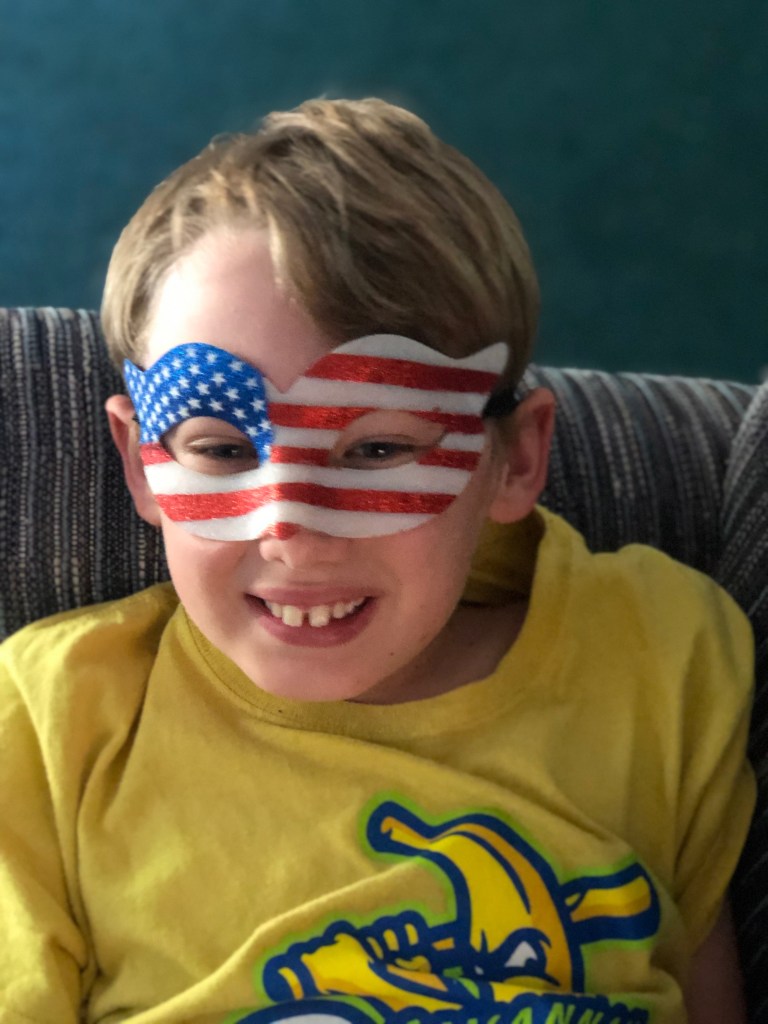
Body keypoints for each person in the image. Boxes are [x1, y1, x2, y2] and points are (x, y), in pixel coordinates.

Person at [0, 98, 755, 1024]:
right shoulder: (54, 722)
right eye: (222, 449)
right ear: (139, 465)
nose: (288, 524)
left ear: (516, 458)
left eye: (376, 449)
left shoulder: (662, 656)